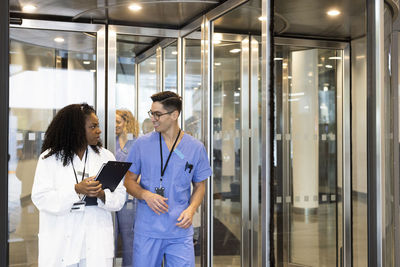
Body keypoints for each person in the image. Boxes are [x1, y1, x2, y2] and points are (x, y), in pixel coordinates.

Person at [124, 91, 212, 267]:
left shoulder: (195, 148)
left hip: (179, 230)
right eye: (151, 114)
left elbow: (200, 185)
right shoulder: (141, 144)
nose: (153, 119)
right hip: (148, 229)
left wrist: (191, 209)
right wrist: (146, 195)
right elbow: (128, 181)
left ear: (174, 115)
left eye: (158, 114)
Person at [31, 103, 126, 267]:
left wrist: (102, 194)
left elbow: (119, 198)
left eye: (98, 126)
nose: (99, 131)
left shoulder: (105, 156)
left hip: (95, 244)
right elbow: (40, 198)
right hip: (61, 243)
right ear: (76, 129)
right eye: (93, 126)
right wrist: (76, 190)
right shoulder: (50, 158)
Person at [115, 109, 139, 267]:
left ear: (126, 123)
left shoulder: (136, 143)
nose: (115, 126)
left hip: (128, 197)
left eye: (118, 122)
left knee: (129, 237)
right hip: (109, 195)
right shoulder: (109, 141)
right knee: (109, 237)